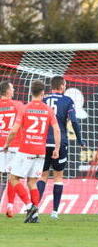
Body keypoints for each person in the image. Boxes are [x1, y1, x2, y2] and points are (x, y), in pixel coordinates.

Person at [3, 80, 60, 223]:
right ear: (42, 93)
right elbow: (57, 130)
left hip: (25, 150)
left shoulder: (25, 108)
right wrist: (57, 149)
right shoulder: (48, 109)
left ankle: (29, 206)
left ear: (30, 92)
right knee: (32, 182)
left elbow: (14, 130)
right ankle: (34, 215)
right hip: (40, 151)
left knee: (13, 178)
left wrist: (7, 144)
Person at [36, 76, 85, 220]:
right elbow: (74, 121)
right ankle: (55, 212)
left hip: (43, 142)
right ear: (62, 86)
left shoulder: (43, 99)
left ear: (52, 86)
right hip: (60, 141)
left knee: (43, 176)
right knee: (58, 176)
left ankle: (35, 209)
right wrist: (79, 139)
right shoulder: (68, 101)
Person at [0, 81, 24, 218]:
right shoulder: (18, 105)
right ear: (7, 91)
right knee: (13, 177)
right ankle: (10, 205)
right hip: (13, 145)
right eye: (12, 88)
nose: (14, 90)